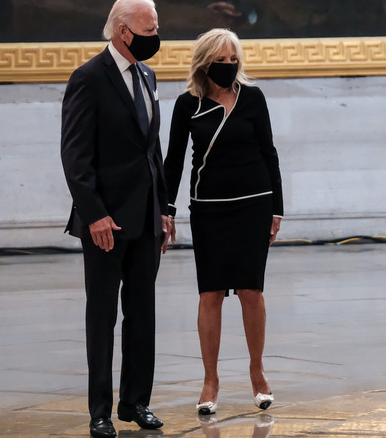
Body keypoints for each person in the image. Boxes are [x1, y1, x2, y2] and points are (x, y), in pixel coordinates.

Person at [60, 1, 172, 436]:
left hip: (145, 217)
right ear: (123, 31)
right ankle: (100, 411)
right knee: (102, 316)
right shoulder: (88, 78)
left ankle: (136, 402)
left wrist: (164, 209)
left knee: (143, 314)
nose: (156, 34)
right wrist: (95, 215)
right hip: (105, 222)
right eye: (150, 27)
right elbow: (75, 156)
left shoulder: (148, 76)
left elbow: (152, 152)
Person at [163, 28, 283, 415]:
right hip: (210, 208)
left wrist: (276, 210)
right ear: (204, 62)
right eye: (221, 60)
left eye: (233, 60)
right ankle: (210, 379)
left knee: (251, 291)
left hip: (254, 205)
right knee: (210, 293)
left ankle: (257, 372)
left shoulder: (253, 98)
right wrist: (167, 209)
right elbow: (174, 161)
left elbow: (269, 153)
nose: (228, 66)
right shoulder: (187, 105)